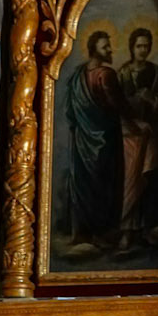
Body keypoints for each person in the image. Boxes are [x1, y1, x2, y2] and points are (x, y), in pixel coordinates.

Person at [63, 29, 125, 252]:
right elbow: (119, 106)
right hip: (106, 140)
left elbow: (69, 112)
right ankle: (103, 234)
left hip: (81, 142)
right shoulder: (105, 75)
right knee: (105, 184)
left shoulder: (77, 76)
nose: (110, 50)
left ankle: (83, 233)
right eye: (105, 46)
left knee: (85, 184)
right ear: (94, 50)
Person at [117, 27, 158, 251]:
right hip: (130, 136)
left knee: (148, 180)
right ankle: (126, 230)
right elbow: (115, 106)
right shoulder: (122, 74)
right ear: (132, 47)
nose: (143, 50)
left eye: (146, 46)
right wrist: (133, 116)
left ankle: (144, 229)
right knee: (130, 182)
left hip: (152, 138)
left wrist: (156, 99)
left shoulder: (156, 73)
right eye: (139, 46)